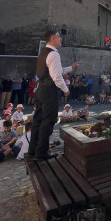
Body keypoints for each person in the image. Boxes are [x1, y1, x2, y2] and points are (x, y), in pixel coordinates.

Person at [26, 29, 78, 161]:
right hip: (49, 91)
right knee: (48, 121)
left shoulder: (44, 52)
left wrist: (71, 68)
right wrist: (65, 89)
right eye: (59, 37)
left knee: (38, 120)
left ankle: (33, 150)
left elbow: (55, 71)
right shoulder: (54, 54)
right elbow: (56, 76)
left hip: (41, 89)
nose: (61, 39)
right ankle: (42, 152)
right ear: (53, 38)